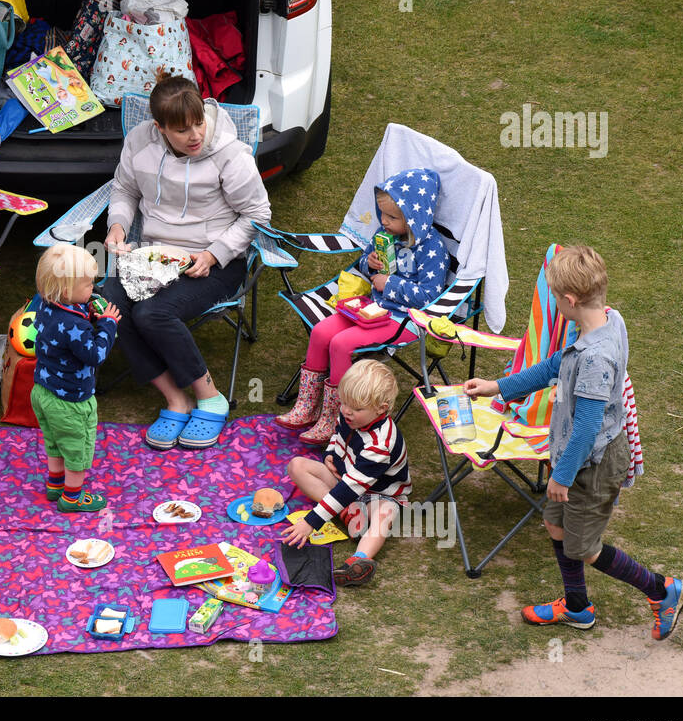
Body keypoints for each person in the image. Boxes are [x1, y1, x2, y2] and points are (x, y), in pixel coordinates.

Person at [464, 245, 683, 638]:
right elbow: (553, 367)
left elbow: (586, 427)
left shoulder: (596, 357)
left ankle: (662, 589)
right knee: (555, 526)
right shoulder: (603, 320)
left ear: (569, 300)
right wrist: (496, 387)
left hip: (593, 464)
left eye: (555, 297)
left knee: (584, 547)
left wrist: (562, 476)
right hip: (575, 456)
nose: (554, 303)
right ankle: (577, 607)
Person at [98, 72, 272, 451]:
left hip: (212, 260)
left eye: (198, 123)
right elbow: (125, 189)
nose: (194, 136)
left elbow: (258, 214)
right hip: (152, 256)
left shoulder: (229, 153)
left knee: (151, 315)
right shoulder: (139, 142)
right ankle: (176, 399)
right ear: (159, 128)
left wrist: (214, 253)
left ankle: (210, 396)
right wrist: (117, 226)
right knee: (109, 305)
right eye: (181, 130)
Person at [278, 168, 448, 444]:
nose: (384, 221)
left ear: (415, 218)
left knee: (341, 344)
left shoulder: (432, 250)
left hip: (404, 319)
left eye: (392, 217)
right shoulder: (386, 234)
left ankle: (337, 418)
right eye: (382, 214)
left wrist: (388, 284)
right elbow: (364, 262)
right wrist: (368, 265)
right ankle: (307, 406)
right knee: (322, 331)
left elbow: (430, 296)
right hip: (371, 308)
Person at [281, 360, 411, 586]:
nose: (347, 411)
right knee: (297, 466)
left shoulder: (380, 444)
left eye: (357, 409)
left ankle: (359, 560)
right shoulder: (349, 414)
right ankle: (347, 513)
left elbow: (350, 489)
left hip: (380, 495)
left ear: (381, 409)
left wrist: (310, 522)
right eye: (344, 403)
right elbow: (338, 435)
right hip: (347, 479)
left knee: (383, 516)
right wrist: (330, 453)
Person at [30, 244, 120, 512]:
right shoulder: (76, 326)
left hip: (43, 392)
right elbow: (95, 355)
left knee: (54, 441)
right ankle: (72, 498)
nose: (92, 289)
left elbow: (64, 335)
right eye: (88, 284)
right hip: (71, 402)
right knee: (76, 449)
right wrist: (107, 325)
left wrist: (86, 314)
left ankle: (55, 485)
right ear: (67, 292)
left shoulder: (46, 306)